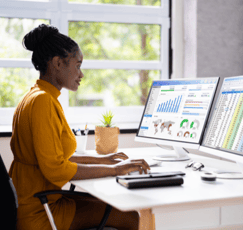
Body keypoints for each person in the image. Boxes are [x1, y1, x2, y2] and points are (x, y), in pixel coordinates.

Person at [8, 24, 150, 230]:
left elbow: (52, 158)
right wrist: (115, 169)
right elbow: (55, 170)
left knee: (116, 207)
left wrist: (101, 160)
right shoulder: (42, 102)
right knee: (131, 218)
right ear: (57, 63)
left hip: (40, 201)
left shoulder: (37, 96)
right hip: (40, 211)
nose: (81, 74)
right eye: (77, 65)